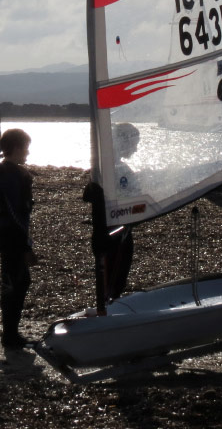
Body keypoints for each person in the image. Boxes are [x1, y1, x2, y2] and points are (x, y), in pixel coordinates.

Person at [0, 128, 36, 349]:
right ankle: (10, 336)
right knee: (17, 282)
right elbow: (16, 213)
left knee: (14, 281)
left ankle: (10, 333)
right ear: (16, 148)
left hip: (4, 232)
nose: (27, 152)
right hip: (12, 234)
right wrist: (27, 245)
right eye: (26, 148)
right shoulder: (12, 174)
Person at [83, 123, 138, 314]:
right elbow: (90, 195)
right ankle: (107, 313)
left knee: (117, 280)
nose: (136, 148)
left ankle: (110, 307)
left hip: (119, 231)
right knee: (112, 281)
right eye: (134, 143)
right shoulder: (108, 167)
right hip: (112, 234)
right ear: (123, 142)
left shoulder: (106, 165)